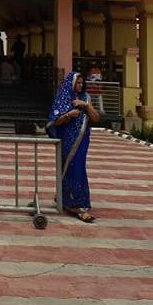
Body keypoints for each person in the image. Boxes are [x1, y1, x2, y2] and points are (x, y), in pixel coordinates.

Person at [46, 71, 100, 222]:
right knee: (68, 169)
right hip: (66, 141)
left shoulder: (85, 98)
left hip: (81, 141)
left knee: (78, 169)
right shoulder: (63, 99)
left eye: (82, 83)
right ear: (71, 83)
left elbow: (96, 118)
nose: (80, 85)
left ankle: (81, 207)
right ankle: (65, 200)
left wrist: (85, 105)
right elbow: (54, 122)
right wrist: (69, 115)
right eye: (78, 83)